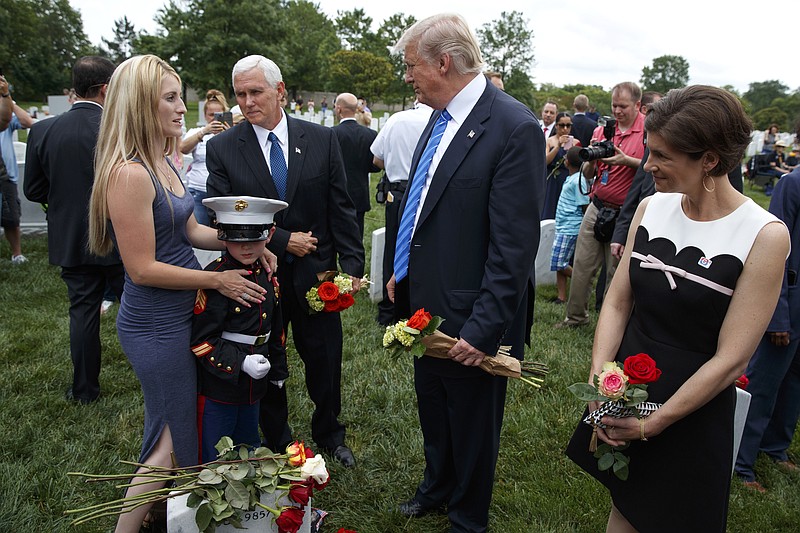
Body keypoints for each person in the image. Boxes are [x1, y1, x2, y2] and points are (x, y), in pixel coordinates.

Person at [565, 85, 789, 532]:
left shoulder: (763, 235)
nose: (647, 166)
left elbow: (732, 360)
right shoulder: (651, 208)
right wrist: (601, 373)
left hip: (691, 411)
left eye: (662, 156)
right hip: (626, 390)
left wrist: (655, 422)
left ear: (709, 159)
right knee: (626, 507)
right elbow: (618, 300)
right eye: (649, 151)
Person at [86, 54, 275, 532]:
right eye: (170, 99)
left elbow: (189, 229)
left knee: (170, 428)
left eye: (179, 97)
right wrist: (217, 278)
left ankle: (158, 515)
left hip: (180, 313)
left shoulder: (163, 160)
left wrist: (244, 245)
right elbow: (143, 269)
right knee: (171, 438)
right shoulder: (129, 174)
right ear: (140, 106)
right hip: (154, 324)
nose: (181, 108)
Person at [386, 14, 544, 532]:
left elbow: (515, 246)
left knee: (472, 420)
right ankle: (437, 485)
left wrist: (482, 329)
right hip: (425, 299)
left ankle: (468, 514)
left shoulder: (513, 126)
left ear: (443, 62)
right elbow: (425, 197)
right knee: (433, 403)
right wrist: (400, 268)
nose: (408, 77)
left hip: (470, 309)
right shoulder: (440, 112)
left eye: (411, 66)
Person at [206, 54, 365, 468]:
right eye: (240, 94)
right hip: (257, 278)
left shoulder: (321, 138)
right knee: (267, 361)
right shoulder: (223, 148)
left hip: (318, 276)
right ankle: (278, 440)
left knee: (325, 359)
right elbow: (221, 215)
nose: (246, 102)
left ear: (279, 91)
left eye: (255, 92)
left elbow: (341, 208)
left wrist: (352, 267)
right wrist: (280, 239)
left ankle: (330, 432)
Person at [23, 56, 125, 404]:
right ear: (105, 88)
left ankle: (84, 391)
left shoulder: (43, 130)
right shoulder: (120, 129)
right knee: (138, 310)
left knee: (82, 313)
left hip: (71, 238)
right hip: (121, 235)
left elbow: (33, 190)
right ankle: (155, 377)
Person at [192, 196, 289, 463]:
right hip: (221, 384)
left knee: (249, 445)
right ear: (222, 236)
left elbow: (276, 329)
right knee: (217, 450)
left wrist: (278, 369)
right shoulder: (217, 279)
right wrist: (240, 362)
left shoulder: (268, 273)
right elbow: (201, 341)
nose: (245, 246)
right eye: (235, 237)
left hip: (255, 384)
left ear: (269, 234)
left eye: (255, 237)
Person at [555, 81, 645, 329]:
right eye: (614, 105)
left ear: (638, 105)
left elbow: (652, 167)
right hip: (597, 204)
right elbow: (586, 174)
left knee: (615, 274)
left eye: (623, 106)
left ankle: (610, 326)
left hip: (626, 211)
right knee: (582, 265)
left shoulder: (647, 131)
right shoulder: (602, 130)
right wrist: (592, 161)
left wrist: (626, 160)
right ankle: (574, 318)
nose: (617, 111)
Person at [735, 165, 800, 492]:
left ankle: (775, 446)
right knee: (763, 384)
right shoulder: (792, 183)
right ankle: (742, 462)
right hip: (788, 303)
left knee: (794, 384)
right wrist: (777, 316)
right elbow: (777, 255)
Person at [371, 101, 433, 325]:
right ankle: (420, 310)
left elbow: (377, 159)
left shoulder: (396, 120)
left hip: (397, 194)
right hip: (427, 193)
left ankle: (389, 310)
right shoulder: (439, 121)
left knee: (393, 249)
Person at [180, 89, 232, 225]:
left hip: (222, 194)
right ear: (205, 115)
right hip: (198, 191)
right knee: (198, 233)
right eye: (210, 115)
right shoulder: (197, 132)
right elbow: (183, 148)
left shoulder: (232, 134)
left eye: (218, 115)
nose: (214, 118)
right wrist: (203, 132)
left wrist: (228, 135)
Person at [332, 92, 379, 238]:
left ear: (339, 109)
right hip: (359, 194)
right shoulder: (370, 134)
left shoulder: (332, 134)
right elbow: (375, 166)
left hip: (336, 195)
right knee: (356, 239)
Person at [550, 147, 589, 304]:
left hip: (570, 227)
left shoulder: (579, 180)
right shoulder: (571, 177)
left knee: (559, 262)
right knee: (560, 263)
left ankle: (583, 282)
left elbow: (584, 204)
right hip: (563, 226)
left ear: (568, 162)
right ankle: (561, 296)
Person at [0, 89, 34, 264]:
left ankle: (17, 254)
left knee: (11, 218)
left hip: (5, 176)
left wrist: (8, 100)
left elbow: (28, 122)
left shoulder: (5, 116)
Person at [542, 112, 582, 220]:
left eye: (568, 125)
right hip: (552, 181)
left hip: (569, 180)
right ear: (556, 126)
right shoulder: (550, 141)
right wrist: (557, 147)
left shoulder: (576, 142)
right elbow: (545, 161)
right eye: (561, 125)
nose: (565, 129)